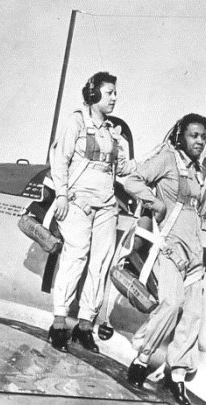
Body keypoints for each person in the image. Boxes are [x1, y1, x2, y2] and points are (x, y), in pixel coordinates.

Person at [48, 71, 137, 353]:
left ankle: (85, 325)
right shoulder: (76, 121)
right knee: (76, 256)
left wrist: (145, 155)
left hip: (106, 205)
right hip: (77, 201)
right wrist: (62, 195)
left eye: (115, 93)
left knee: (100, 263)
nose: (114, 98)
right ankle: (59, 324)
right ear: (93, 94)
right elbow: (59, 159)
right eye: (109, 92)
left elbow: (124, 169)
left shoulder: (112, 132)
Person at [124, 113, 206, 405]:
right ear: (181, 136)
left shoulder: (199, 170)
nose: (199, 141)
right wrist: (154, 202)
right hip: (170, 246)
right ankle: (142, 358)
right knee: (171, 304)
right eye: (194, 135)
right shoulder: (167, 159)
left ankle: (178, 376)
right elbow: (132, 179)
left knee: (192, 315)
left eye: (202, 136)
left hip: (194, 251)